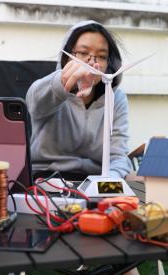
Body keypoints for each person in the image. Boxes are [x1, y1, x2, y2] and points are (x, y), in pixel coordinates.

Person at [26, 20, 133, 181]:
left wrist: (108, 183)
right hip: (47, 180)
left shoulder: (116, 98)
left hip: (95, 181)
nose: (92, 62)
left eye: (102, 56)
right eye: (83, 53)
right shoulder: (51, 90)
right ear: (66, 56)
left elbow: (118, 155)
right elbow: (35, 102)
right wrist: (63, 82)